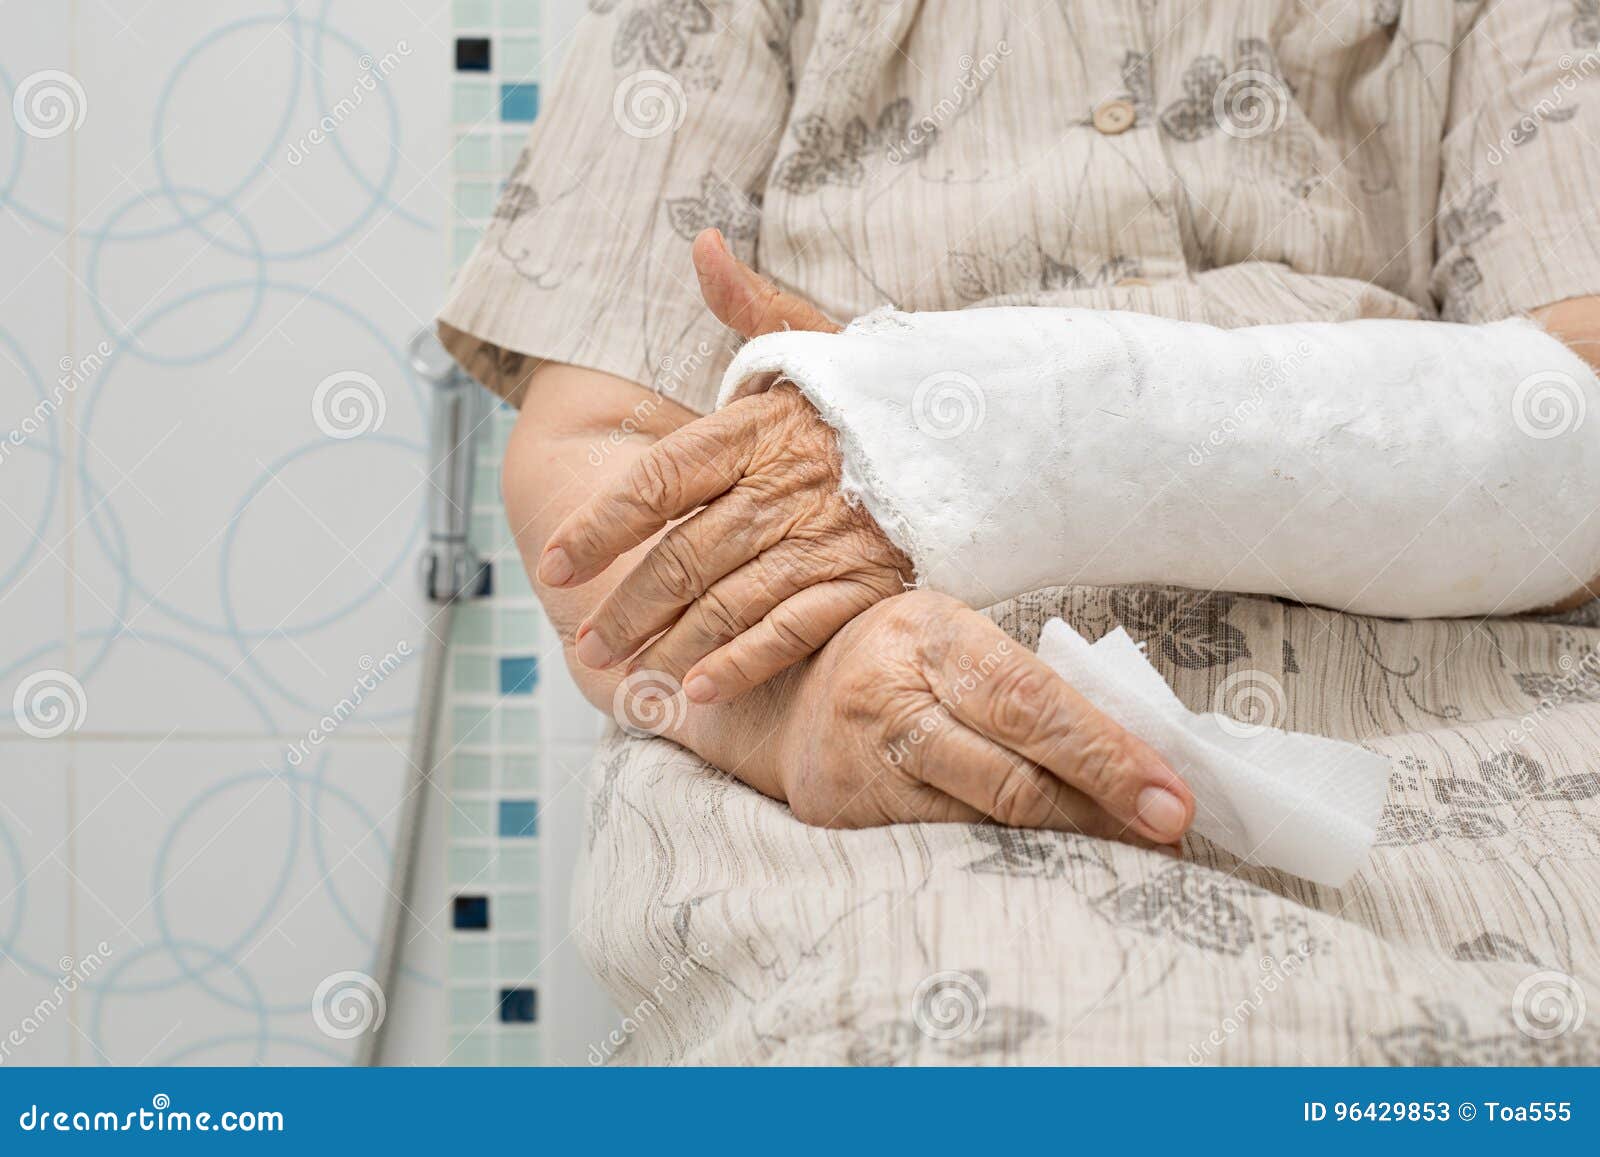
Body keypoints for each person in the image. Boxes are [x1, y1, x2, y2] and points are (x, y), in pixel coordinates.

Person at [438, 1, 1600, 853]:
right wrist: (792, 713)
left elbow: (1574, 409)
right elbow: (599, 451)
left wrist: (962, 423)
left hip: (1473, 708)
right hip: (879, 692)